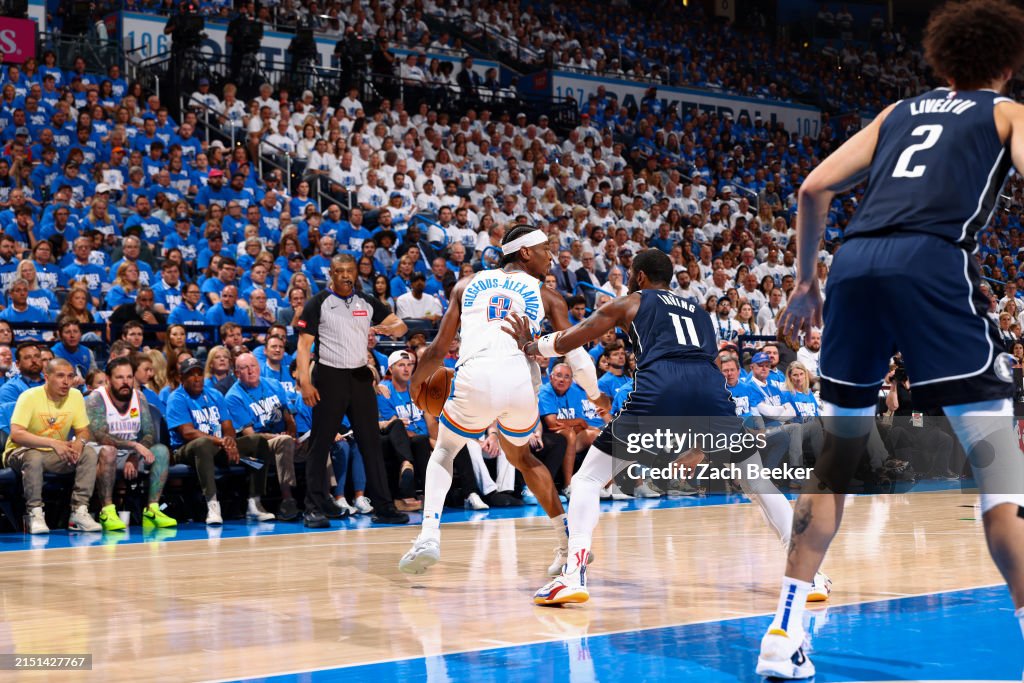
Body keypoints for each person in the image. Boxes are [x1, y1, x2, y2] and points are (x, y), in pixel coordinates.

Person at [757, 1, 1024, 676]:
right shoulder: (1007, 113)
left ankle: (783, 634)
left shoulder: (900, 112)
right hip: (932, 265)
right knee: (1000, 476)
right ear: (1010, 61)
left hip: (852, 265)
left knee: (836, 460)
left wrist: (805, 284)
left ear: (941, 58)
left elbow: (814, 186)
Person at [500, 249, 797, 606]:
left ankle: (573, 575)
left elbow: (574, 336)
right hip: (709, 390)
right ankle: (810, 575)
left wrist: (532, 345)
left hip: (660, 388)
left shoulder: (632, 302)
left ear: (640, 276)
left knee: (588, 480)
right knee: (757, 480)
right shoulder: (702, 314)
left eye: (630, 273)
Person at [399, 225, 609, 577]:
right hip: (519, 383)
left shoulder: (466, 285)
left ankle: (428, 536)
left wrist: (416, 385)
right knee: (522, 457)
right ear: (525, 252)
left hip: (475, 377)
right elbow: (577, 359)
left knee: (446, 450)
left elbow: (437, 350)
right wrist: (595, 395)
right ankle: (567, 545)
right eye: (545, 249)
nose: (551, 256)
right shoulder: (549, 296)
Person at [295, 254, 410, 528]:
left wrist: (387, 328)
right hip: (329, 375)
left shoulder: (367, 302)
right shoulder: (319, 302)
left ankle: (383, 505)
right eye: (341, 271)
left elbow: (401, 325)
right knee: (321, 442)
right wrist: (306, 383)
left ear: (356, 272)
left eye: (351, 270)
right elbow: (302, 346)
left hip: (360, 377)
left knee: (371, 444)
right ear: (332, 274)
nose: (346, 275)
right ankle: (314, 506)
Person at [167, 357, 275, 525]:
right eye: (191, 375)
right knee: (202, 444)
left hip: (218, 447)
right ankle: (212, 504)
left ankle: (254, 502)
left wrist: (230, 441)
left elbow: (228, 426)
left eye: (199, 374)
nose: (197, 378)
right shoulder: (177, 398)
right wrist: (222, 441)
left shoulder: (214, 394)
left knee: (258, 442)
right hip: (186, 450)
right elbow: (188, 433)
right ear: (182, 378)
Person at [6, 358, 101, 533]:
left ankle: (79, 512)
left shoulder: (76, 396)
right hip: (19, 451)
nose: (66, 382)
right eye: (60, 376)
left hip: (54, 454)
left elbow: (83, 431)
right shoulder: (29, 396)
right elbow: (17, 434)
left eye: (70, 376)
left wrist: (79, 443)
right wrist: (53, 443)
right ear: (47, 377)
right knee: (33, 456)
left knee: (88, 452)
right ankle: (35, 513)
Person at [87, 356, 176, 531]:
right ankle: (107, 511)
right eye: (119, 377)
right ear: (108, 379)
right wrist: (134, 446)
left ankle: (152, 509)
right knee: (109, 450)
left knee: (161, 451)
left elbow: (149, 432)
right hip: (99, 454)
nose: (125, 382)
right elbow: (99, 435)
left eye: (129, 377)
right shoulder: (96, 398)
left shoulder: (139, 397)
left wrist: (134, 456)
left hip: (129, 454)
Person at [225, 353, 302, 522]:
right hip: (259, 447)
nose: (251, 370)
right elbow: (251, 436)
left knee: (319, 443)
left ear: (259, 368)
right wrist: (280, 437)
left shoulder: (273, 384)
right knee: (284, 441)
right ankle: (287, 499)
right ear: (237, 374)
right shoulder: (233, 397)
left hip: (285, 439)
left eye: (253, 366)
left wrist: (292, 430)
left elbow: (287, 414)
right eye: (245, 368)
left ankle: (329, 496)